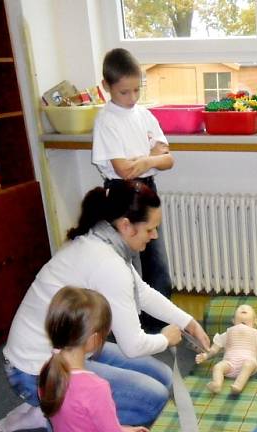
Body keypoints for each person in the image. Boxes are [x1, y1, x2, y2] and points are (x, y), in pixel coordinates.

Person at [0, 180, 210, 432]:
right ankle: (51, 412)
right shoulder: (108, 263)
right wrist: (166, 339)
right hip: (33, 372)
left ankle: (54, 404)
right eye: (150, 229)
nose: (154, 236)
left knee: (164, 377)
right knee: (153, 400)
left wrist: (189, 322)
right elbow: (133, 346)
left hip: (68, 353)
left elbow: (141, 293)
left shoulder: (105, 242)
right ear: (126, 225)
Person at [39, 286, 193, 432]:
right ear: (93, 339)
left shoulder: (47, 371)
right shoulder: (95, 387)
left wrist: (123, 429)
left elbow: (78, 426)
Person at [92, 48, 174, 330]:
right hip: (121, 195)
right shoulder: (106, 120)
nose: (132, 98)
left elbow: (168, 158)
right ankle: (126, 325)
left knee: (156, 261)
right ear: (106, 87)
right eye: (124, 92)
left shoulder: (145, 115)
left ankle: (160, 322)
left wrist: (146, 160)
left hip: (147, 192)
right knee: (124, 266)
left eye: (136, 90)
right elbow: (122, 170)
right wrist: (149, 158)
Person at [196, 304, 257, 394]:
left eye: (248, 309)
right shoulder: (227, 334)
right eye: (239, 309)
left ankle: (238, 385)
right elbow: (214, 349)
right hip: (230, 364)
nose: (243, 308)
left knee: (248, 364)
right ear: (233, 320)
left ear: (255, 321)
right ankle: (217, 384)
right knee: (218, 367)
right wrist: (206, 355)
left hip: (248, 363)